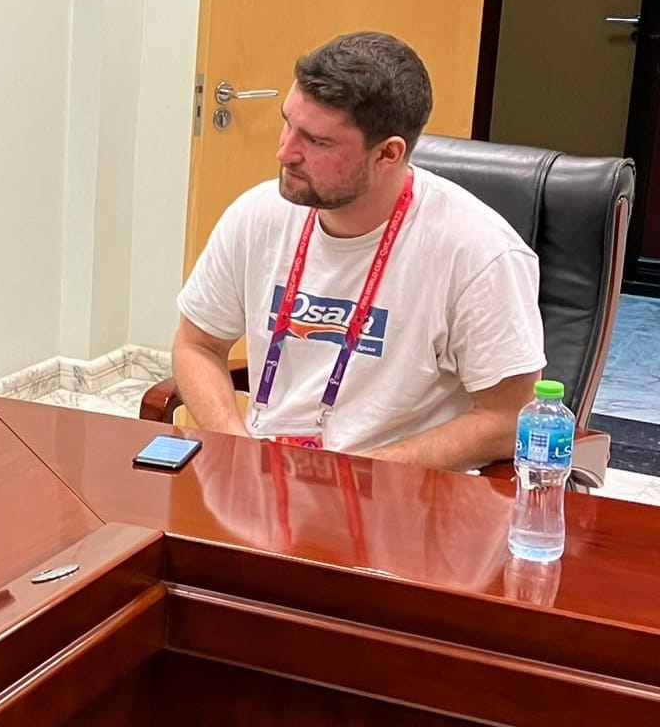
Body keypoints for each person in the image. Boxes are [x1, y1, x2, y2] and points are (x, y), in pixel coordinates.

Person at [173, 31, 544, 472]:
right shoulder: (258, 215)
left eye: (317, 141)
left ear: (388, 154)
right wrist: (235, 449)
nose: (285, 152)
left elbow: (508, 418)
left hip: (399, 499)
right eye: (287, 123)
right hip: (265, 489)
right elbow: (196, 345)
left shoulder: (479, 254)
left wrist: (360, 474)